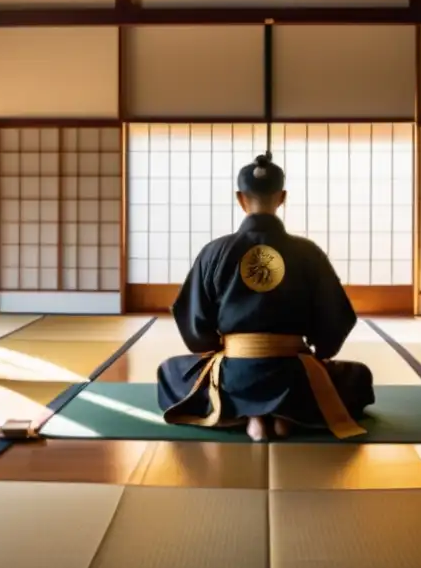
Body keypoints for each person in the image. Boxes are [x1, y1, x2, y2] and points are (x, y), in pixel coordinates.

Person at [157, 152, 375, 442]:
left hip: (234, 373)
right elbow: (335, 319)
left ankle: (250, 413)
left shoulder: (215, 252)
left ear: (240, 198)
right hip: (296, 374)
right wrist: (319, 351)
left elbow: (196, 322)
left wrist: (220, 347)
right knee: (358, 377)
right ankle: (287, 412)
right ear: (282, 197)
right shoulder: (308, 252)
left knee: (169, 371)